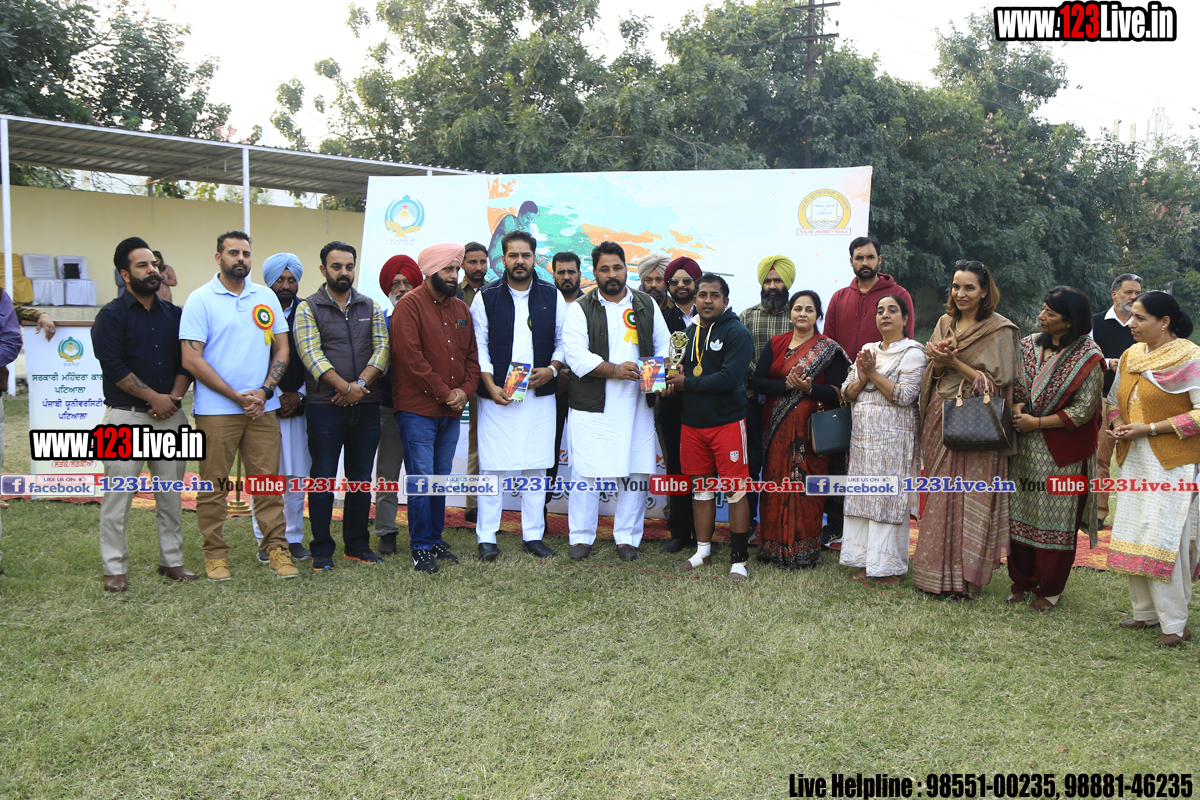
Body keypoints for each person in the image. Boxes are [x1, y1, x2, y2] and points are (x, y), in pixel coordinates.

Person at [180, 230, 297, 580]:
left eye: (246, 253)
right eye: (233, 253)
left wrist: (265, 391)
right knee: (214, 485)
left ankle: (276, 549)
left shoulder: (265, 296)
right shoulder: (200, 299)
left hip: (263, 408)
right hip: (216, 411)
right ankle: (215, 555)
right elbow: (191, 359)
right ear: (219, 258)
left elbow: (282, 348)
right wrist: (236, 396)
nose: (241, 259)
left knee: (268, 484)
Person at [91, 237, 195, 591]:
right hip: (126, 417)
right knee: (118, 497)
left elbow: (187, 361)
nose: (153, 270)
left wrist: (173, 398)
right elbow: (113, 366)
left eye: (154, 264)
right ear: (125, 274)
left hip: (171, 417)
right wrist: (154, 398)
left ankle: (172, 561)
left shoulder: (176, 315)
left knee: (170, 495)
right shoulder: (110, 316)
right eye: (143, 265)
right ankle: (114, 568)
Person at [913, 260, 1019, 599]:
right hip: (939, 413)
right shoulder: (945, 323)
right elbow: (933, 370)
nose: (961, 293)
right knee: (940, 494)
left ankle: (963, 581)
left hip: (977, 419)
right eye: (956, 286)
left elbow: (1001, 383)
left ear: (985, 291)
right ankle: (932, 575)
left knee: (969, 495)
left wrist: (953, 362)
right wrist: (936, 359)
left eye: (969, 287)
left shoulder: (1000, 329)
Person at [562, 241, 668, 561]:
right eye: (604, 269)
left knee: (636, 471)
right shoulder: (580, 308)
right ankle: (581, 536)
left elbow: (663, 346)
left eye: (617, 267)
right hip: (593, 403)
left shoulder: (647, 304)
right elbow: (575, 355)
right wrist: (615, 370)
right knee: (586, 471)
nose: (612, 274)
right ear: (595, 273)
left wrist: (653, 376)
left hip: (636, 404)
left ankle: (627, 538)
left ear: (626, 270)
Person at [1106, 291, 1200, 647]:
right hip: (1134, 458)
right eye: (1131, 315)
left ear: (1165, 322)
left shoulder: (1190, 356)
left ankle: (1175, 624)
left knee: (1165, 537)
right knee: (1135, 532)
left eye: (1140, 318)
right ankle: (1144, 612)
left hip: (1173, 461)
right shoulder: (1131, 355)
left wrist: (1150, 428)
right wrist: (1118, 423)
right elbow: (1114, 400)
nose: (1131, 323)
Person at [1007, 287, 1105, 610]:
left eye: (1050, 313)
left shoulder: (1088, 356)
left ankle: (1049, 589)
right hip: (1022, 448)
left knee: (1056, 521)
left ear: (1070, 320)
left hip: (1062, 452)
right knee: (1018, 514)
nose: (1041, 316)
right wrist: (1016, 405)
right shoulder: (1028, 345)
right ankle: (1021, 582)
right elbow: (1013, 384)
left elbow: (1083, 410)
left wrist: (1036, 422)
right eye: (1043, 309)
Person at [472, 231, 566, 560]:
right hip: (497, 394)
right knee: (492, 467)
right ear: (503, 259)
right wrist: (489, 385)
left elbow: (563, 341)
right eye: (513, 255)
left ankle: (533, 536)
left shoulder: (552, 295)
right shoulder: (485, 296)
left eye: (526, 255)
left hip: (540, 395)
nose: (520, 261)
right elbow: (479, 344)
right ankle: (487, 537)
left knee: (537, 466)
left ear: (534, 258)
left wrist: (552, 370)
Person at [294, 241, 389, 570]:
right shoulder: (308, 308)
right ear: (324, 269)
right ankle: (322, 549)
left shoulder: (371, 306)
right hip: (325, 408)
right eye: (336, 266)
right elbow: (311, 354)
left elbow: (383, 349)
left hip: (366, 406)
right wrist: (344, 388)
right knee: (322, 479)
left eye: (349, 266)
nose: (344, 272)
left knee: (360, 479)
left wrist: (358, 386)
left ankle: (357, 545)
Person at [821, 237, 917, 550]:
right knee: (841, 461)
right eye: (859, 257)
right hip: (847, 389)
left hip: (885, 399)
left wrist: (871, 375)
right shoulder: (840, 297)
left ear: (879, 260)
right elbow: (829, 346)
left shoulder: (898, 294)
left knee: (877, 468)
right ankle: (836, 527)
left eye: (870, 257)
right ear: (851, 261)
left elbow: (904, 342)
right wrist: (844, 387)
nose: (865, 262)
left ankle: (881, 544)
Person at [391, 243, 480, 573]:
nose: (455, 275)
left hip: (451, 410)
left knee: (440, 479)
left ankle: (434, 538)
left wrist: (465, 391)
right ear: (429, 271)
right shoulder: (409, 305)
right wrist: (446, 393)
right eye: (448, 269)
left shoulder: (461, 309)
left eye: (456, 269)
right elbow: (411, 359)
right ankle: (420, 547)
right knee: (422, 478)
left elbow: (472, 357)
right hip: (418, 410)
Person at [666, 274, 755, 579]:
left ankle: (739, 561)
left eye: (714, 295)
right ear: (695, 299)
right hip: (692, 424)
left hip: (726, 423)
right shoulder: (686, 334)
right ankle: (702, 552)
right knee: (701, 491)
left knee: (735, 491)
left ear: (725, 301)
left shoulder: (737, 332)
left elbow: (729, 379)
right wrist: (669, 381)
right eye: (702, 295)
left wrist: (686, 383)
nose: (707, 300)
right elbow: (677, 371)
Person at [753, 290, 849, 568]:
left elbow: (838, 392)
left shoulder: (829, 349)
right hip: (777, 429)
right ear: (790, 313)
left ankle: (804, 549)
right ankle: (772, 547)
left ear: (818, 315)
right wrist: (785, 385)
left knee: (807, 487)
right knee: (774, 485)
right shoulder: (776, 344)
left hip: (811, 433)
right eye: (798, 308)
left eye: (809, 309)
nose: (803, 314)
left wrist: (809, 389)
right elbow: (758, 381)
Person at [838, 294, 926, 586]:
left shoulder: (913, 352)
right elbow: (846, 392)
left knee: (888, 500)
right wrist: (863, 377)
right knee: (865, 499)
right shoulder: (868, 349)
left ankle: (891, 568)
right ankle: (867, 563)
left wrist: (871, 372)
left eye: (892, 310)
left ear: (905, 318)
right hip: (863, 441)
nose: (885, 315)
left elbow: (904, 395)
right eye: (880, 311)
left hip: (894, 442)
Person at [249, 253, 312, 564]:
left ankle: (294, 537)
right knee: (266, 474)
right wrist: (270, 394)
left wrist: (299, 395)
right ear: (268, 281)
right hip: (263, 405)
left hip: (298, 406)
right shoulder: (254, 308)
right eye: (280, 280)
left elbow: (317, 357)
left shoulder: (308, 311)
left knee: (296, 475)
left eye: (291, 280)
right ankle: (265, 538)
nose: (286, 285)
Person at [738, 255, 796, 542]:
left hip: (787, 404)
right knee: (750, 466)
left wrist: (780, 385)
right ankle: (748, 524)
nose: (772, 286)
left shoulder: (798, 316)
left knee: (782, 466)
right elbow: (739, 354)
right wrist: (760, 378)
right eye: (768, 281)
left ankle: (778, 526)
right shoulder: (747, 317)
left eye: (778, 281)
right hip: (750, 402)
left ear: (788, 284)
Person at [374, 254, 423, 555]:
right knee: (387, 474)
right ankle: (386, 531)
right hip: (389, 408)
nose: (402, 288)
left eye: (407, 282)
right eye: (395, 284)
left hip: (424, 411)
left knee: (424, 476)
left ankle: (425, 531)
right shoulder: (380, 321)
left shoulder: (428, 319)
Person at [658, 256, 703, 552]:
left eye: (687, 280)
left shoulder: (713, 314)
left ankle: (702, 532)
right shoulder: (659, 317)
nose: (681, 285)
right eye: (674, 281)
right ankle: (679, 532)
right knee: (676, 468)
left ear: (697, 283)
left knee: (703, 471)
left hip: (704, 404)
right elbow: (651, 354)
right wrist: (661, 384)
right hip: (671, 404)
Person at [1090, 273, 1141, 528]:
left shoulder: (1144, 324)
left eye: (1137, 293)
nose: (1133, 297)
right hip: (1103, 399)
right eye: (1128, 292)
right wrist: (1108, 362)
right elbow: (1084, 356)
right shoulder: (1095, 322)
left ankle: (1136, 517)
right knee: (1101, 458)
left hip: (1139, 402)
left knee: (1137, 461)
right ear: (1114, 294)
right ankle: (1099, 512)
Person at [546, 251, 581, 517]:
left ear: (580, 274)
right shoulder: (546, 304)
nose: (566, 277)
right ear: (554, 275)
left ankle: (582, 516)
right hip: (551, 389)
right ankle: (540, 510)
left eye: (571, 272)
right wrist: (556, 373)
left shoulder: (591, 304)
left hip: (584, 389)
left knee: (583, 451)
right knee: (548, 451)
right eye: (561, 272)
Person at [460, 241, 489, 525]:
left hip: (485, 377)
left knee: (479, 440)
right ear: (462, 264)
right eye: (472, 262)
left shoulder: (494, 292)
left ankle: (475, 505)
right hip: (454, 377)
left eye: (482, 262)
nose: (478, 267)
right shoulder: (453, 292)